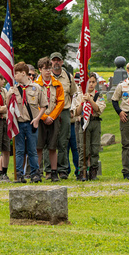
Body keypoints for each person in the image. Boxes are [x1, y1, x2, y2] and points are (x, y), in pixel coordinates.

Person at [7, 61, 47, 183]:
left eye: (16, 74)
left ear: (23, 73)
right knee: (19, 150)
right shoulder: (14, 88)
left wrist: (37, 119)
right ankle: (19, 174)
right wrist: (10, 94)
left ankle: (35, 173)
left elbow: (44, 105)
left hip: (31, 123)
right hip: (18, 123)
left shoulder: (36, 88)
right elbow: (8, 105)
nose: (14, 76)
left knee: (32, 150)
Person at [35, 57, 64, 182]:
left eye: (49, 69)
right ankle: (37, 172)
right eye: (45, 69)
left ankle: (53, 172)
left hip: (54, 118)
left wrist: (52, 116)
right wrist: (44, 117)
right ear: (40, 70)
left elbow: (61, 101)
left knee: (53, 147)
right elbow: (33, 103)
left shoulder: (57, 84)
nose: (48, 71)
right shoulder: (35, 85)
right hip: (40, 119)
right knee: (39, 147)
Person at [72, 72, 106, 180]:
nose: (90, 84)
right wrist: (83, 102)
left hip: (94, 122)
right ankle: (82, 171)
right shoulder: (79, 95)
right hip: (83, 122)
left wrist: (90, 100)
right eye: (89, 82)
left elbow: (98, 109)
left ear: (96, 83)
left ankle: (93, 171)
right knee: (83, 148)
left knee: (95, 148)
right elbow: (76, 112)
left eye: (93, 82)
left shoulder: (98, 95)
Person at [49, 52, 77, 180]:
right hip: (49, 112)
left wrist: (69, 107)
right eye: (53, 60)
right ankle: (49, 170)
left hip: (64, 111)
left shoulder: (68, 77)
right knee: (49, 142)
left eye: (58, 61)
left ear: (61, 62)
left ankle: (63, 170)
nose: (56, 63)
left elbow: (72, 94)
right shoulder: (46, 76)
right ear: (50, 62)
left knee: (63, 141)